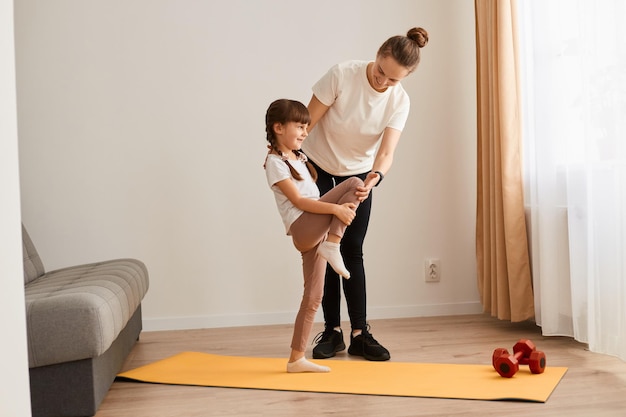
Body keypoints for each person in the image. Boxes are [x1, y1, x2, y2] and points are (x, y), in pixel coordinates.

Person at [302, 27, 429, 362]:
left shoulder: (399, 100)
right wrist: (293, 162)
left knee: (351, 250)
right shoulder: (343, 74)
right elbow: (307, 123)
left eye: (393, 80)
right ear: (376, 55)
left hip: (359, 175)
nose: (382, 82)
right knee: (323, 249)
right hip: (318, 167)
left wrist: (376, 176)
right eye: (380, 72)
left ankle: (360, 333)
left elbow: (386, 152)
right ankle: (331, 331)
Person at [263, 98, 365, 373]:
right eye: (300, 127)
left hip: (316, 232)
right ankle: (334, 244)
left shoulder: (300, 158)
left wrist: (337, 212)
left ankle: (296, 358)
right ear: (279, 127)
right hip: (303, 226)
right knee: (355, 183)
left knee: (313, 297)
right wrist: (337, 210)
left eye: (307, 127)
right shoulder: (275, 162)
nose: (305, 133)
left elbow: (315, 197)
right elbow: (298, 201)